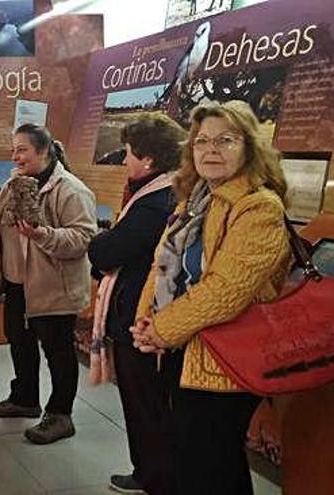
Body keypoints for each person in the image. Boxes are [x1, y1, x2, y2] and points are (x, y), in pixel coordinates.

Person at [131, 101, 291, 494]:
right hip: (184, 349)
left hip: (227, 361)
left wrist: (163, 330)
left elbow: (225, 291)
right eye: (201, 141)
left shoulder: (259, 207)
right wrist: (144, 321)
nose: (211, 150)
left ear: (249, 147)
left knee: (212, 465)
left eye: (225, 140)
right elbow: (162, 265)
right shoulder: (196, 199)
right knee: (194, 460)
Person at [0, 124, 97, 445]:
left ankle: (60, 414)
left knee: (57, 351)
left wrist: (42, 235)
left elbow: (83, 239)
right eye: (14, 149)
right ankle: (25, 398)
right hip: (17, 283)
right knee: (20, 342)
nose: (15, 156)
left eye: (21, 149)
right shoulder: (13, 184)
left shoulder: (70, 189)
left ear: (43, 150)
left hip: (52, 287)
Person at [87, 114, 187, 495]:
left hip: (139, 318)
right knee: (147, 402)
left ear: (148, 159)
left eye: (128, 153)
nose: (125, 161)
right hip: (142, 312)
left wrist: (102, 242)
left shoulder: (153, 203)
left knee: (144, 403)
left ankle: (153, 475)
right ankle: (153, 470)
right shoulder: (162, 194)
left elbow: (108, 249)